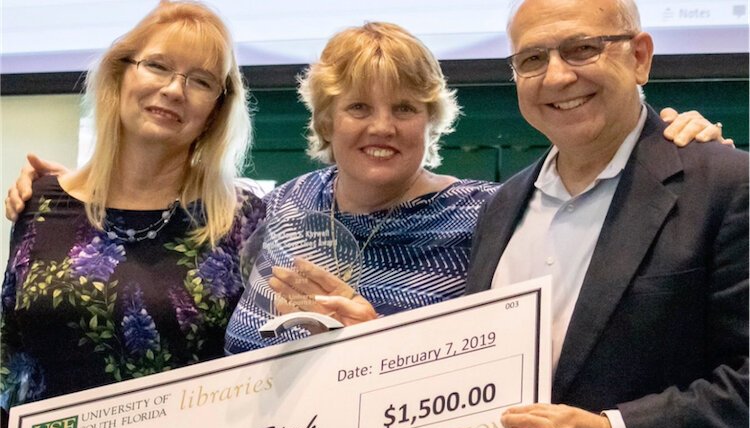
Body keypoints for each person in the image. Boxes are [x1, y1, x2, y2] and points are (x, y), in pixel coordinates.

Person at [3, 23, 726, 350]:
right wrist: (63, 190)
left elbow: (504, 370)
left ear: (431, 120)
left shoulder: (492, 217)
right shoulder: (278, 205)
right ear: (325, 118)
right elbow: (161, 207)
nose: (381, 128)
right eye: (358, 107)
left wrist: (677, 136)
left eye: (405, 108)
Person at [463, 0, 748, 428]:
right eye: (531, 60)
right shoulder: (500, 207)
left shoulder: (727, 186)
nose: (555, 77)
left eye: (581, 49)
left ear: (639, 57)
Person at [1, 0, 264, 421]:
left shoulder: (243, 218)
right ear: (120, 73)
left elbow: (267, 368)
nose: (175, 90)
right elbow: (10, 361)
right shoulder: (41, 204)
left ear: (217, 108)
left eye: (200, 81)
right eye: (158, 66)